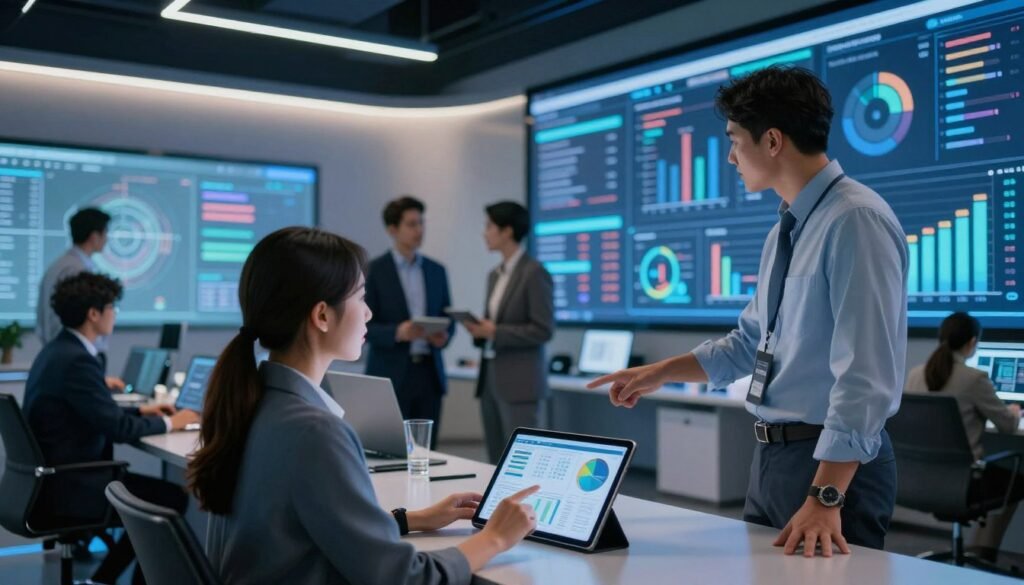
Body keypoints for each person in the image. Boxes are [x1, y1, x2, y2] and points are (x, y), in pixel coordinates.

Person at [588, 66, 908, 556]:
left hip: (829, 469)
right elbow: (748, 343)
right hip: (775, 459)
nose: (732, 156)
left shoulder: (854, 220)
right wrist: (660, 372)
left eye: (735, 140)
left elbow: (867, 376)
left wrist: (825, 495)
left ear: (773, 141)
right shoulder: (787, 228)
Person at [187, 226, 539, 584]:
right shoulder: (315, 432)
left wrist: (410, 519)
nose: (369, 314)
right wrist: (494, 538)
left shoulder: (254, 402)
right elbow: (405, 578)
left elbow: (307, 523)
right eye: (360, 298)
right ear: (322, 316)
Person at [23, 272, 200, 585]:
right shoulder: (78, 360)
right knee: (169, 499)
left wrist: (142, 410)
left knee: (159, 496)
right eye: (112, 308)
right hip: (73, 486)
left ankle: (102, 579)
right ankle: (103, 580)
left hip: (53, 480)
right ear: (94, 314)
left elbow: (93, 412)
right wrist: (173, 421)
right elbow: (116, 427)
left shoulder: (57, 351)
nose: (115, 314)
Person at [905, 311, 1023, 552]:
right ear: (972, 343)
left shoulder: (916, 373)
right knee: (1017, 477)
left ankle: (973, 553)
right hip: (963, 484)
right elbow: (1008, 426)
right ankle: (983, 553)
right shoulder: (974, 378)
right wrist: (1013, 412)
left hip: (916, 481)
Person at [460, 202, 554, 464]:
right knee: (495, 461)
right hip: (490, 378)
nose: (484, 233)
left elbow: (543, 330)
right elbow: (495, 325)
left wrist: (496, 331)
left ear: (507, 231)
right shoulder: (494, 275)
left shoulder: (534, 273)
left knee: (524, 462)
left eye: (489, 226)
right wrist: (480, 330)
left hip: (520, 383)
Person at [365, 196, 454, 449]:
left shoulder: (437, 270)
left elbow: (447, 318)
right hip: (390, 374)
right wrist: (397, 332)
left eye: (421, 223)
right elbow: (364, 326)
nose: (419, 230)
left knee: (429, 453)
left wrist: (444, 336)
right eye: (412, 224)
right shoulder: (374, 270)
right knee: (388, 450)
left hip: (429, 373)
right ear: (392, 229)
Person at [36, 206, 123, 390]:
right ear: (94, 236)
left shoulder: (58, 266)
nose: (107, 239)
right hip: (75, 362)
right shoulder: (76, 272)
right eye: (105, 233)